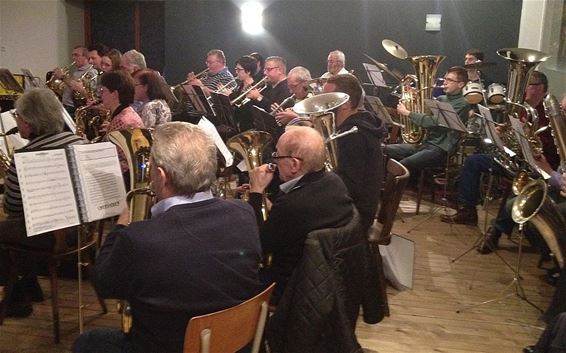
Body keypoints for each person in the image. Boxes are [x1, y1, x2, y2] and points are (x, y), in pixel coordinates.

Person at [72, 122, 264, 353]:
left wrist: (121, 225)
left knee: (86, 342)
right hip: (234, 343)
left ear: (162, 176)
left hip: (171, 346)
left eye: (151, 167)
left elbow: (104, 284)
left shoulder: (138, 239)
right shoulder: (243, 213)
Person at [0, 88, 86, 317]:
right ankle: (30, 285)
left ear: (28, 122)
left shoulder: (26, 155)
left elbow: (13, 207)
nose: (17, 121)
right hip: (83, 232)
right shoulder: (81, 143)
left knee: (12, 225)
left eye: (18, 117)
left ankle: (18, 297)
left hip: (50, 237)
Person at [247, 126, 354, 300]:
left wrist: (256, 192)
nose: (274, 161)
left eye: (277, 155)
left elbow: (257, 246)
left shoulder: (292, 205)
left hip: (292, 287)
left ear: (295, 164)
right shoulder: (334, 181)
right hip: (328, 277)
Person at [441, 71, 558, 226]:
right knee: (473, 161)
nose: (523, 90)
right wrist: (504, 131)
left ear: (540, 88)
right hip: (518, 159)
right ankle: (467, 211)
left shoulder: (549, 113)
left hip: (540, 165)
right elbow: (515, 135)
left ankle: (496, 232)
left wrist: (526, 135)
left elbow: (550, 146)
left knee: (518, 185)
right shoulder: (524, 108)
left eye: (528, 86)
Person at [323, 74, 387, 234]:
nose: (321, 104)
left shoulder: (354, 135)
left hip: (356, 214)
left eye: (326, 98)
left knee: (298, 210)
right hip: (355, 205)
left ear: (346, 103)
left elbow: (350, 187)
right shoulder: (357, 125)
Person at [385, 66, 471, 172]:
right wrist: (415, 97)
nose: (444, 82)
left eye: (449, 80)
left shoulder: (463, 104)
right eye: (445, 79)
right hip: (425, 143)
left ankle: (393, 187)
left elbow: (433, 122)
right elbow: (424, 113)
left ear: (461, 84)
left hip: (440, 149)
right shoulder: (441, 99)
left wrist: (407, 113)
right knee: (383, 149)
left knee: (402, 165)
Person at [98, 70, 144, 179]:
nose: (100, 95)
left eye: (103, 91)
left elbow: (115, 158)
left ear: (115, 94)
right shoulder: (127, 112)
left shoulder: (122, 120)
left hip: (125, 178)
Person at [52, 45, 98, 114]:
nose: (73, 58)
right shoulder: (76, 71)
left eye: (76, 55)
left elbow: (78, 87)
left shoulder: (91, 72)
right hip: (66, 104)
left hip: (75, 108)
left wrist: (62, 77)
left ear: (85, 57)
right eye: (72, 55)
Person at [229, 55, 258, 132]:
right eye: (236, 69)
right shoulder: (240, 85)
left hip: (248, 128)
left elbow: (247, 111)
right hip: (237, 125)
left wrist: (231, 95)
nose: (236, 72)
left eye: (239, 70)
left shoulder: (255, 88)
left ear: (248, 71)